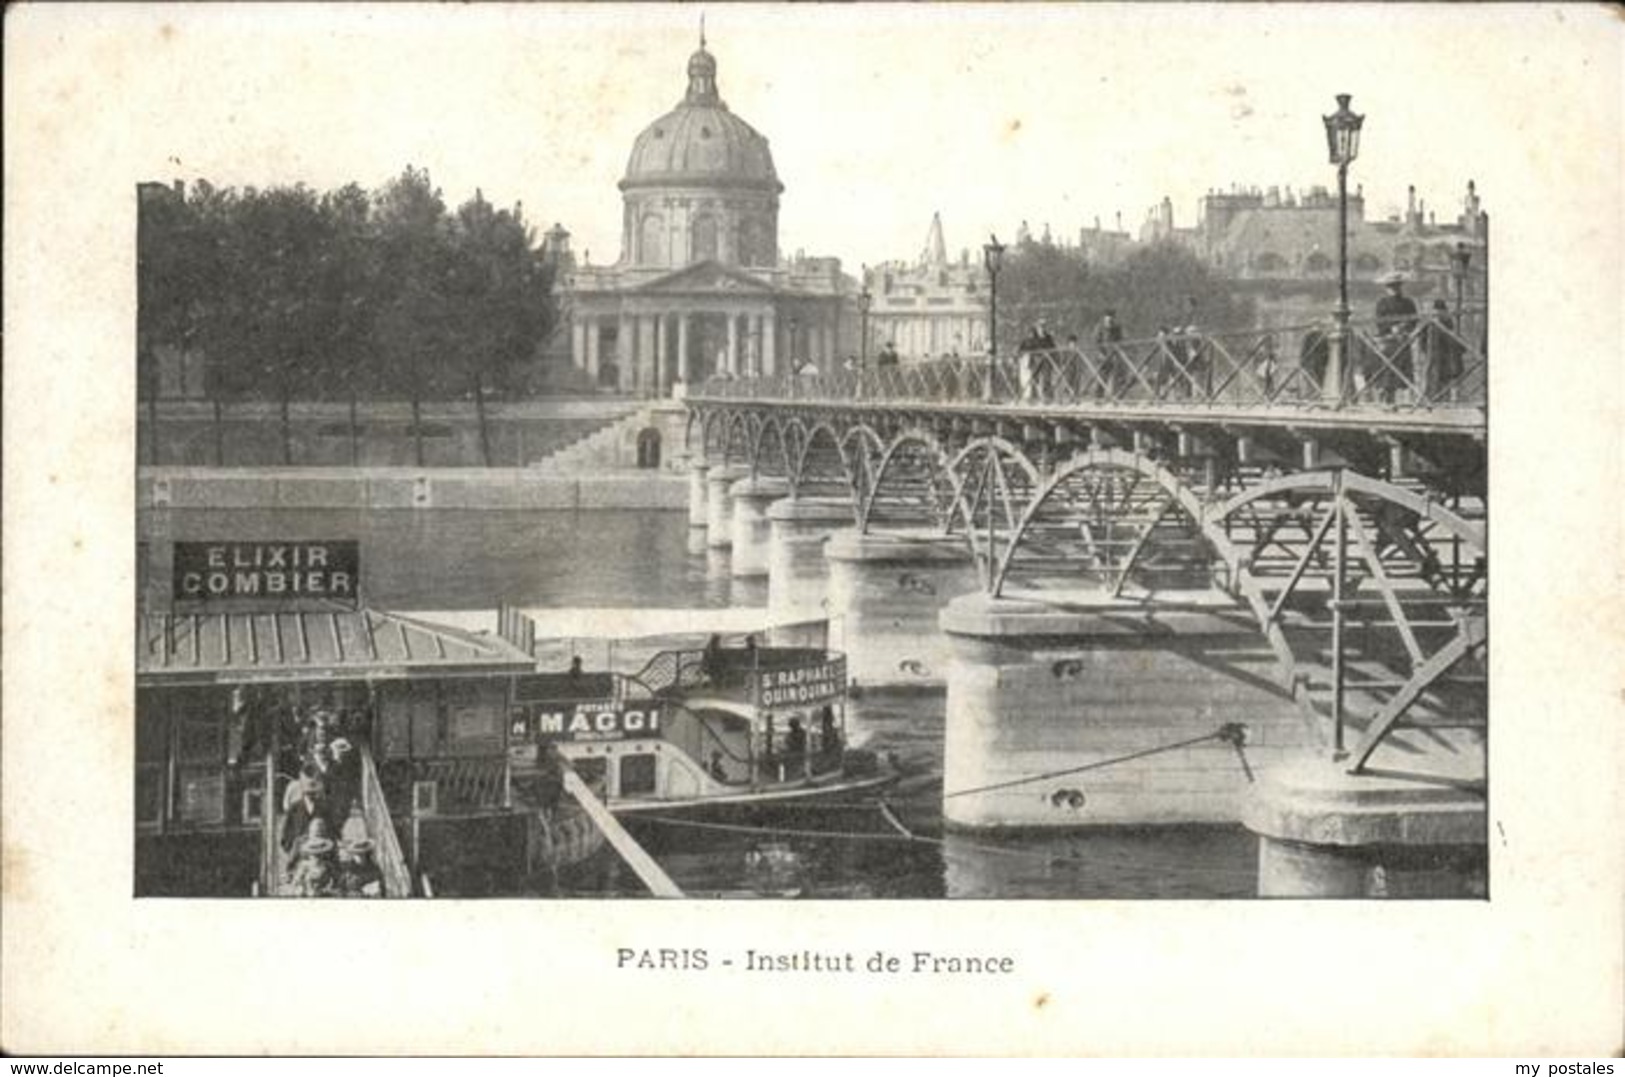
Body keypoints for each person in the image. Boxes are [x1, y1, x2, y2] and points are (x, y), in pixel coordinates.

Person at [1374, 271, 1419, 402]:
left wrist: (1406, 327)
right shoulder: (1382, 303)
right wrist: (1391, 328)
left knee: (1403, 369)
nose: (1394, 289)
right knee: (1388, 369)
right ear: (1386, 288)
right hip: (1388, 340)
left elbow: (1414, 319)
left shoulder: (1408, 302)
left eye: (1396, 286)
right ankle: (1387, 397)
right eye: (1391, 286)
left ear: (1400, 286)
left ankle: (1405, 399)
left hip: (1403, 339)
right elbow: (1379, 321)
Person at [1425, 298, 1464, 400]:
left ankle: (1449, 397)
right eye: (1436, 313)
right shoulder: (1430, 325)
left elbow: (1454, 340)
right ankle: (1435, 397)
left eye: (1440, 313)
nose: (1438, 316)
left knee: (1448, 377)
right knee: (1435, 377)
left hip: (1447, 356)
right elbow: (1424, 341)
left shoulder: (1448, 323)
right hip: (1435, 355)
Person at [1093, 309, 1125, 398]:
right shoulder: (1099, 327)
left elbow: (1120, 341)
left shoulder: (1117, 328)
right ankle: (1098, 397)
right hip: (1102, 356)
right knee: (1102, 377)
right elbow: (1096, 342)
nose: (1110, 321)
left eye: (1112, 318)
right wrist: (1100, 353)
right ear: (1104, 318)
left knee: (1116, 376)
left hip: (1113, 355)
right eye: (1108, 319)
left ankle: (1116, 396)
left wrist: (1117, 353)